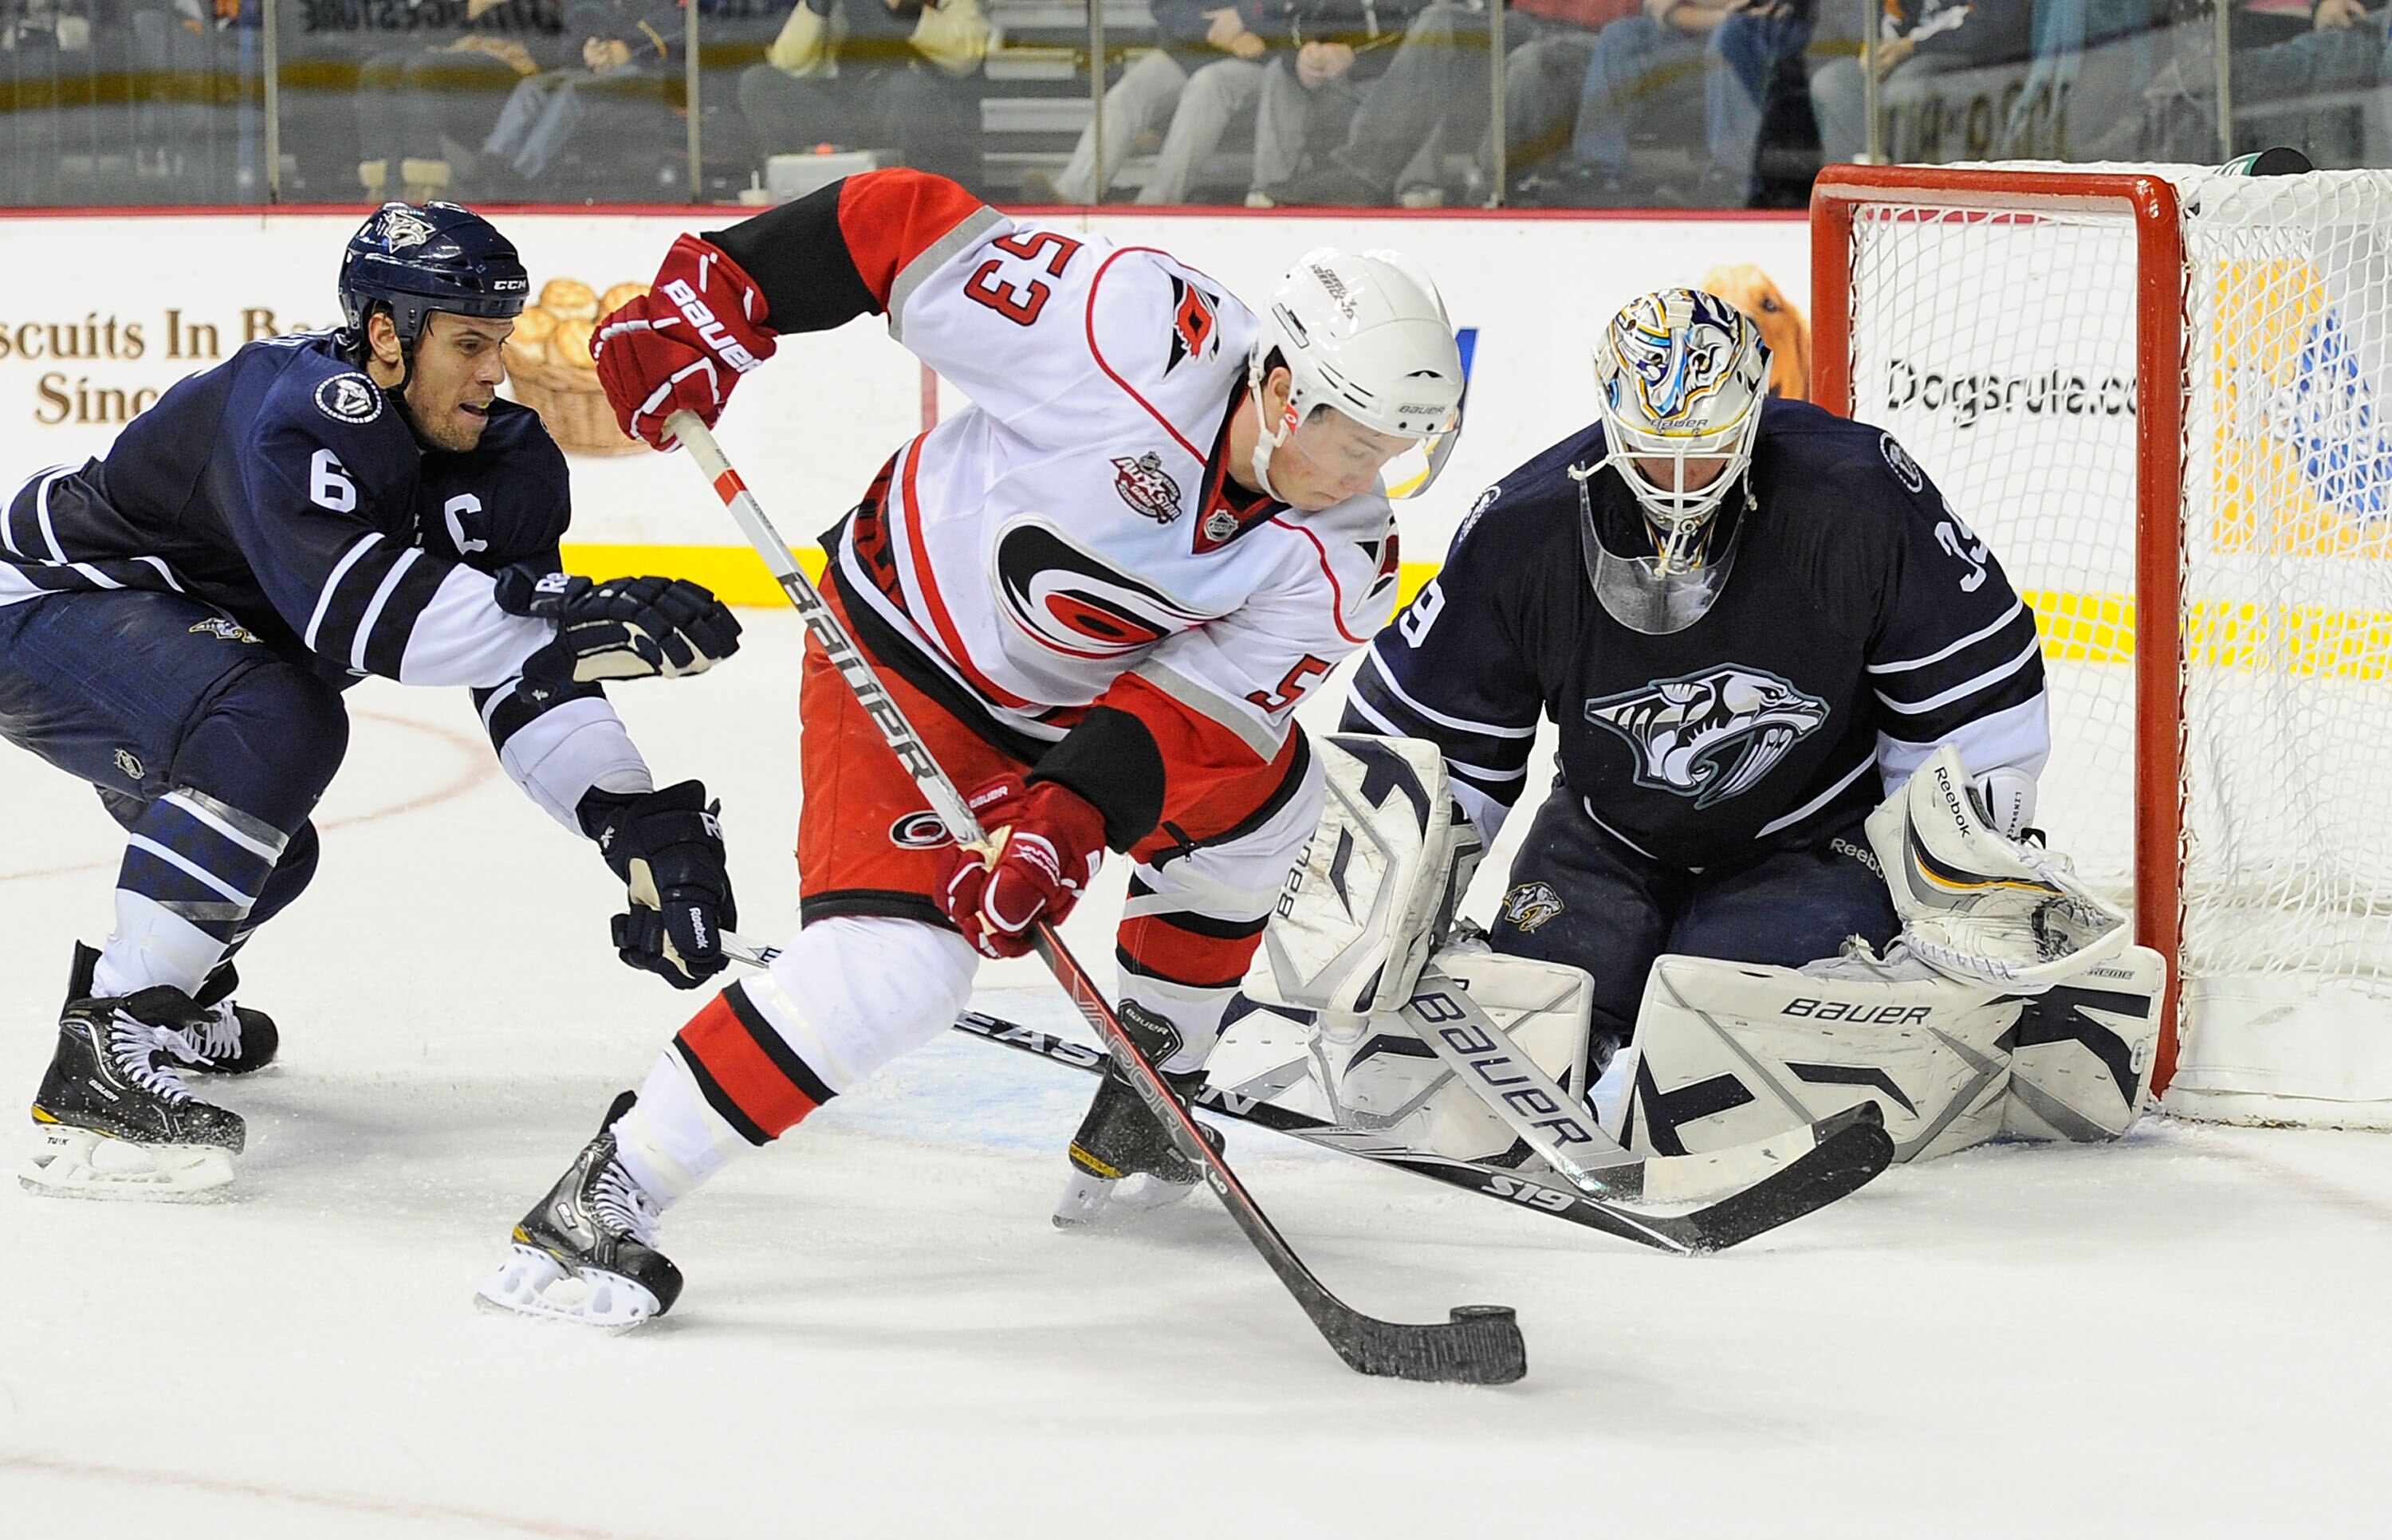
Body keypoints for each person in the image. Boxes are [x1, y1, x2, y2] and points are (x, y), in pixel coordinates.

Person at [474, 168, 1465, 1326]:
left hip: (1072, 710)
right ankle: (609, 1193)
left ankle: (1157, 1078)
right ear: (1286, 389)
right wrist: (722, 289)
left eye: (1398, 448)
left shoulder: (1344, 554)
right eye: (1360, 441)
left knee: (1270, 805)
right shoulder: (1130, 328)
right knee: (904, 973)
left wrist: (1059, 825)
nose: (1372, 477)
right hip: (901, 652)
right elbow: (895, 231)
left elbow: (1194, 718)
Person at [6, 202, 745, 1200]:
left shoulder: (509, 459)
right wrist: (571, 614)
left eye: (503, 341)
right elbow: (361, 617)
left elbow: (519, 671)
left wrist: (629, 817)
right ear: (388, 337)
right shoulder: (298, 408)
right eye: (470, 343)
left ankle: (162, 1009)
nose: (496, 369)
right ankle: (111, 1045)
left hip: (170, 645)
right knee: (276, 721)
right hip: (43, 607)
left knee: (271, 848)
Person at [1342, 287, 2050, 1070]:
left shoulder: (1856, 497)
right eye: (1653, 447)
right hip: (1606, 836)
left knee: (1733, 1025)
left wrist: (1958, 896)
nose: (1681, 478)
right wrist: (1368, 933)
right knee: (1533, 1021)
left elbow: (1974, 706)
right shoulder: (1523, 528)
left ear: (1754, 412)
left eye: (1707, 445)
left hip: (1811, 837)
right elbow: (1425, 749)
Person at [1556, 0, 1817, 206]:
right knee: (1620, 35)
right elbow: (1664, 10)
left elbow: (1760, 12)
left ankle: (1734, 177)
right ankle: (1600, 171)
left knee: (1732, 35)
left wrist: (1717, 14)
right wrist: (1717, 15)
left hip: (1770, 38)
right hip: (1699, 37)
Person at [1028, 0, 1286, 206]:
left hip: (1266, 57)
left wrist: (1245, 16)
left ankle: (1156, 205)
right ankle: (1073, 194)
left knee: (1207, 86)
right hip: (1192, 47)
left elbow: (1302, 7)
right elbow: (1167, 7)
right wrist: (1217, 33)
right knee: (1130, 93)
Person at [738, 0, 992, 195]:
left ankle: (910, 199)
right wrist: (817, 8)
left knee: (905, 90)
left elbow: (965, 56)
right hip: (851, 112)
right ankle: (798, 196)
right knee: (759, 83)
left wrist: (905, 12)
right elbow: (789, 64)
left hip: (923, 121)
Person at [1244, 0, 1440, 206]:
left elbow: (1425, 38)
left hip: (1387, 90)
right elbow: (1291, 26)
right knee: (1279, 71)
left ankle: (1418, 190)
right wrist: (1302, 57)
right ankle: (1270, 190)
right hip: (1332, 87)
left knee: (1424, 75)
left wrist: (1354, 58)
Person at [1806, 0, 2032, 167]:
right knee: (1834, 83)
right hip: (1908, 59)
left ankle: (1910, 188)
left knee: (1907, 87)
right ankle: (1857, 190)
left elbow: (1996, 27)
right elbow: (1888, 15)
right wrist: (1876, 47)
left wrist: (1911, 46)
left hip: (1978, 65)